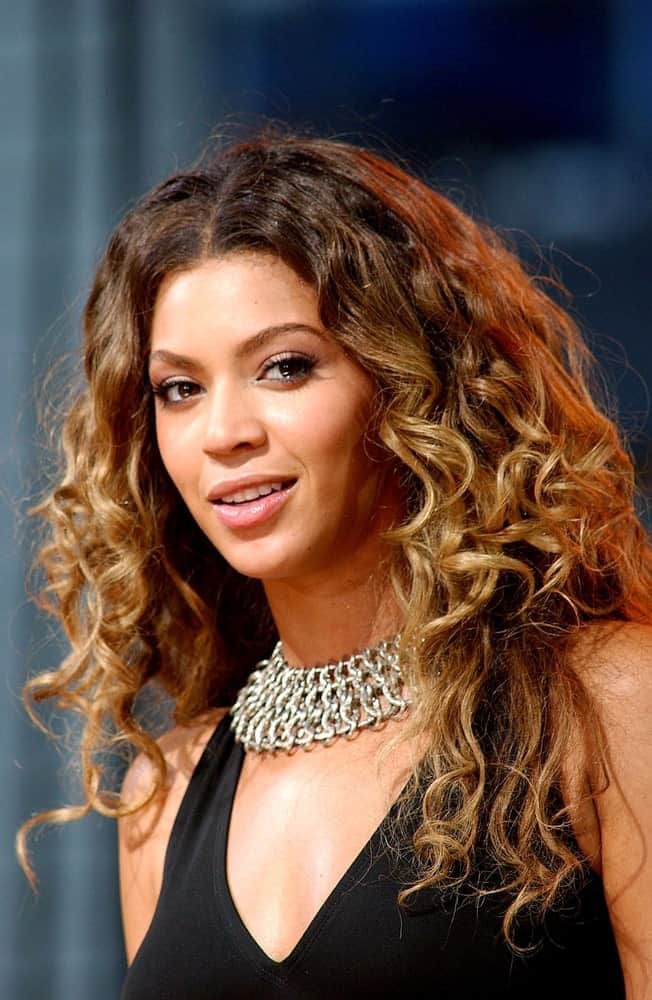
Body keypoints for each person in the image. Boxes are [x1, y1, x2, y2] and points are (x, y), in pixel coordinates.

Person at [19, 131, 652, 999]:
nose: (224, 432)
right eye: (180, 388)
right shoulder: (163, 795)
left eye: (284, 368)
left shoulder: (605, 704)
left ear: (407, 383)